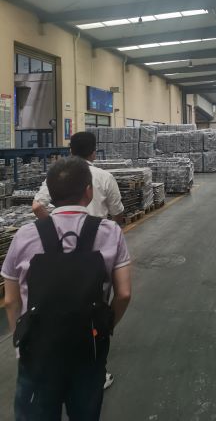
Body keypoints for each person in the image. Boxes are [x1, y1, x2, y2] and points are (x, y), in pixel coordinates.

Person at [2, 157, 131, 421]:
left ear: (50, 193)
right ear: (88, 191)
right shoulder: (110, 232)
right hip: (88, 348)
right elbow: (124, 293)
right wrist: (105, 329)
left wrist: (20, 341)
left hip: (38, 352)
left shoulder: (25, 235)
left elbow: (11, 300)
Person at [33, 131, 124, 389]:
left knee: (61, 307)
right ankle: (94, 372)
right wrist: (111, 233)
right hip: (97, 253)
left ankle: (59, 368)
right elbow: (118, 213)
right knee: (95, 310)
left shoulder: (57, 175)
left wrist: (52, 228)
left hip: (60, 252)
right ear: (94, 152)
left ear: (70, 150)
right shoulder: (104, 177)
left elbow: (37, 207)